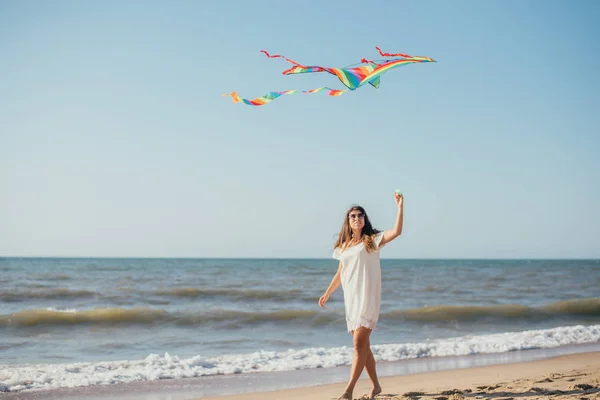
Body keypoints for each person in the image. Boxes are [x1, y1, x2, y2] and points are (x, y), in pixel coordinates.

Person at [319, 192, 404, 400]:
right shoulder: (343, 247)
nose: (357, 218)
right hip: (352, 300)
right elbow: (341, 272)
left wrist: (400, 207)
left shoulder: (372, 241)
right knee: (364, 346)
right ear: (348, 221)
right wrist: (327, 292)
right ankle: (376, 387)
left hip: (367, 298)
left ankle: (348, 391)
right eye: (353, 216)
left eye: (360, 215)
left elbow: (397, 231)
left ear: (364, 219)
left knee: (358, 345)